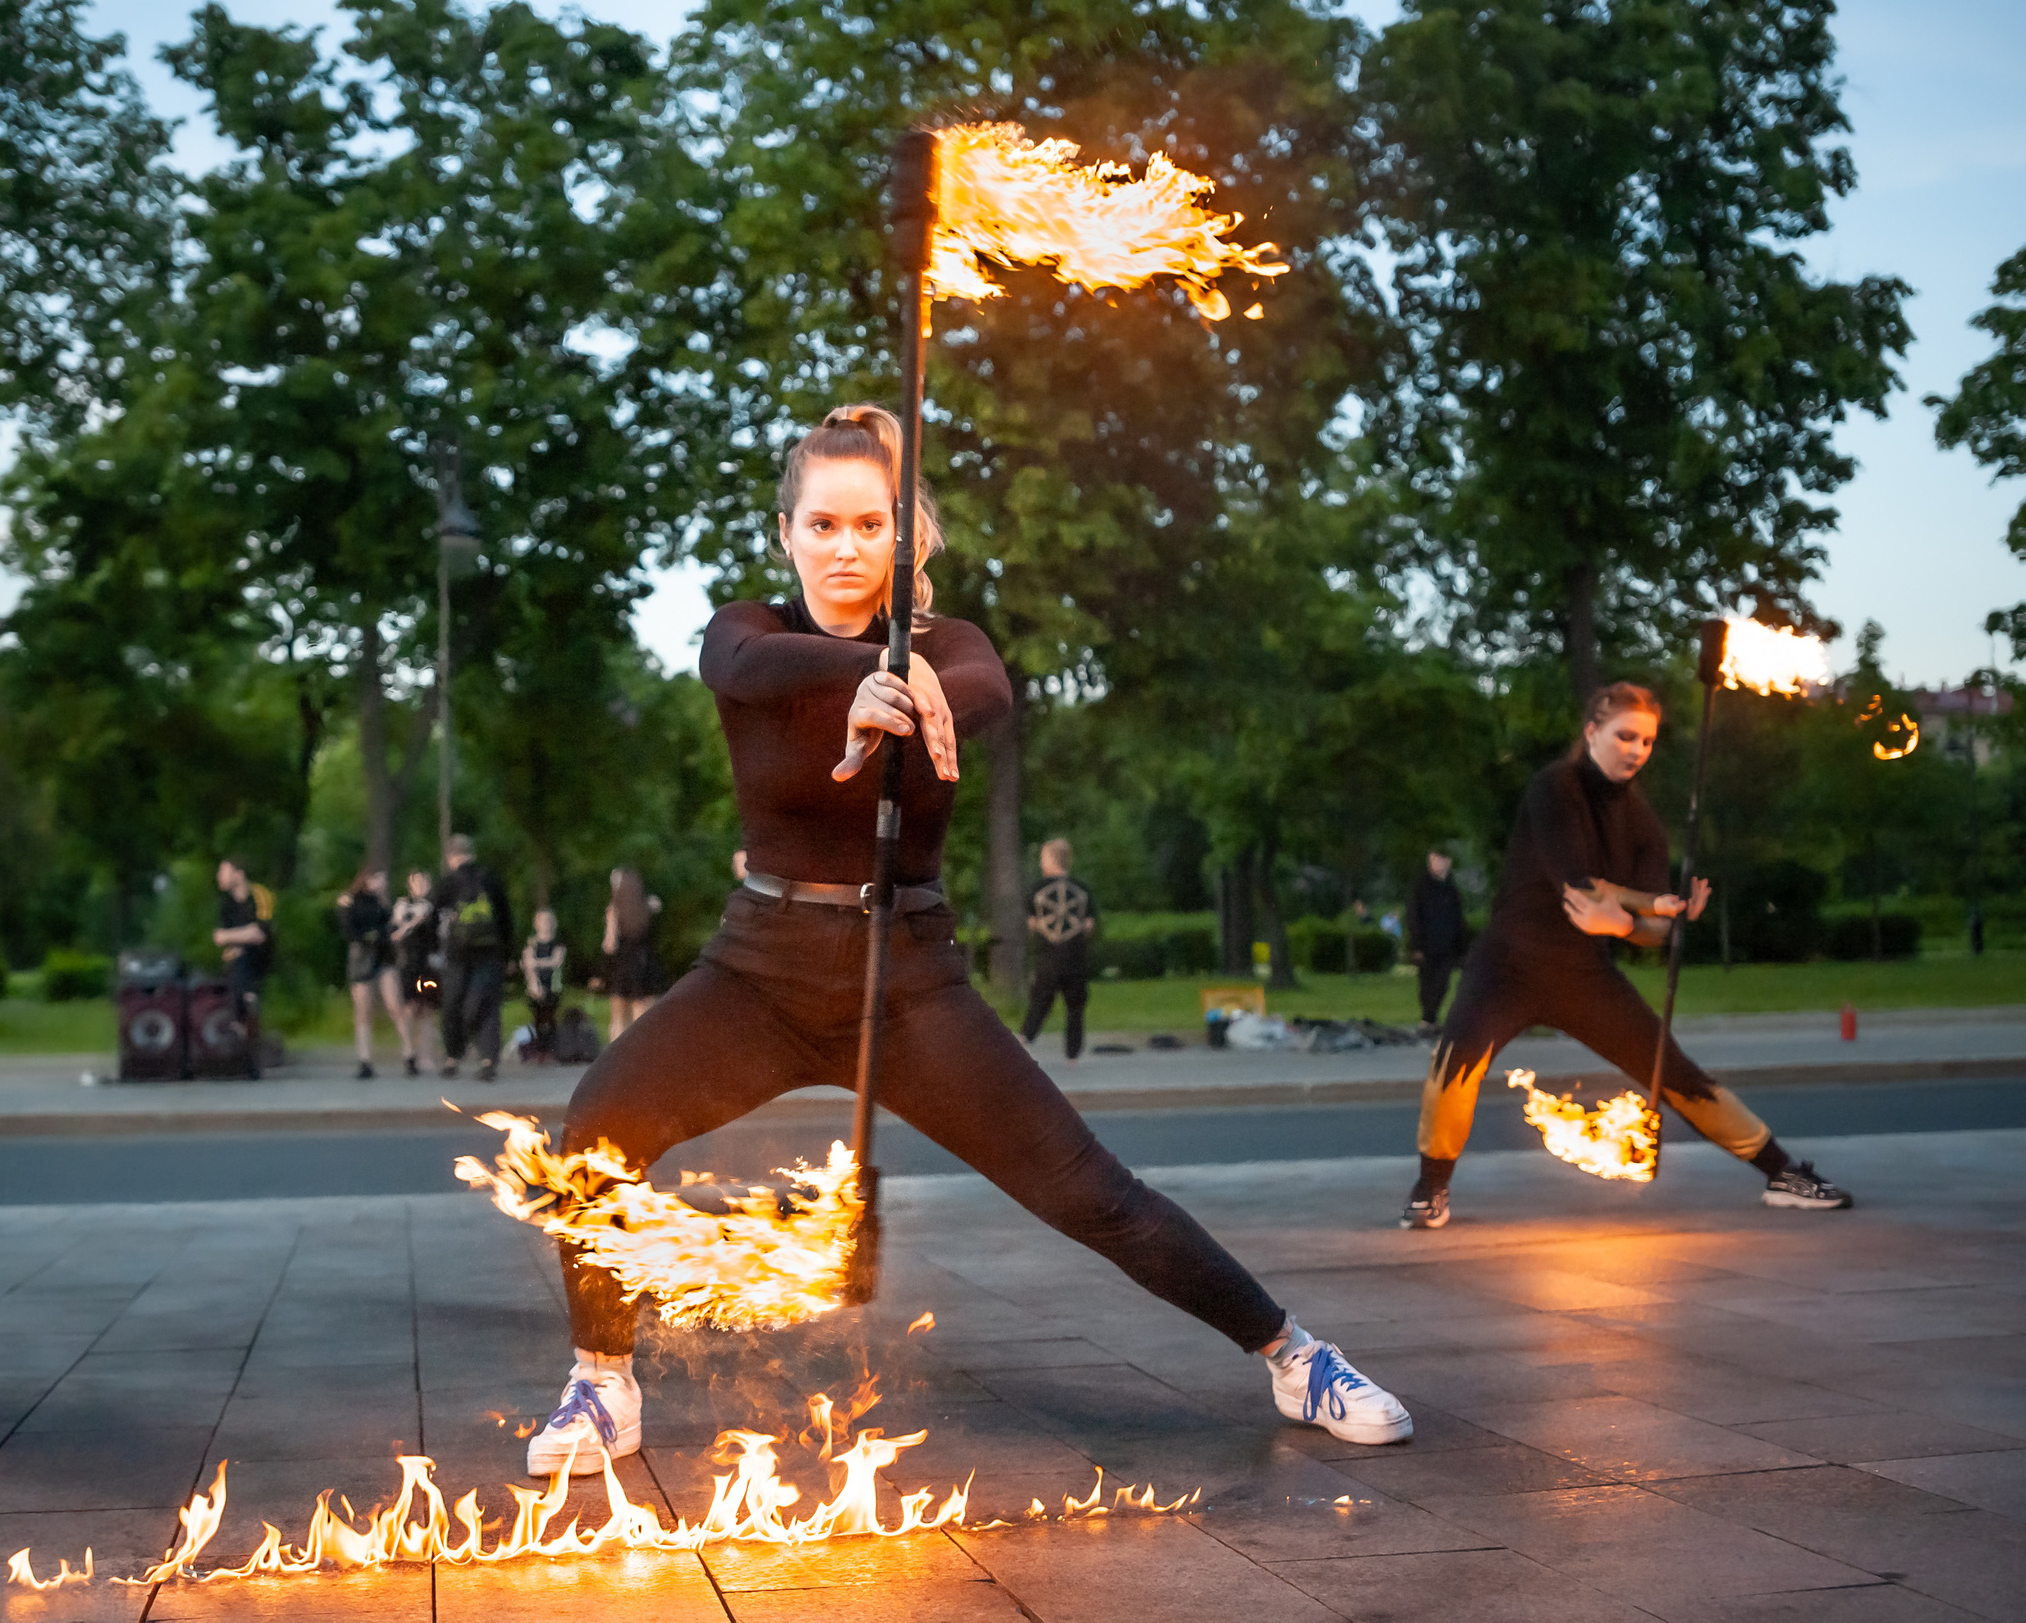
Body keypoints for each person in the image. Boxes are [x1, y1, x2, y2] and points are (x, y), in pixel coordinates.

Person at [523, 403, 1411, 1479]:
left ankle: (1293, 1354)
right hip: (755, 972)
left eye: (870, 526)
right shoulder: (744, 628)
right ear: (785, 533)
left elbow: (990, 691)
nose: (845, 548)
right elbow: (744, 670)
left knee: (1093, 1193)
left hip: (906, 982)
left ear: (907, 538)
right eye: (823, 525)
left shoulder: (950, 649)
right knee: (593, 1131)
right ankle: (603, 1383)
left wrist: (923, 680)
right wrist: (859, 684)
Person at [1402, 683, 1853, 1230]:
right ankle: (1432, 1188)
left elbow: (1655, 936)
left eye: (1647, 740)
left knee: (1678, 1072)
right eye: (1624, 735)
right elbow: (1579, 883)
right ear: (1592, 732)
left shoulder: (1644, 824)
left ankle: (1785, 1174)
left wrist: (1638, 923)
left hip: (1584, 975)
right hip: (1507, 968)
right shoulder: (1554, 788)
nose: (1636, 749)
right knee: (1454, 1068)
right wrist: (1647, 907)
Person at [435, 835, 513, 1082]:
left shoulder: (448, 883)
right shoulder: (490, 879)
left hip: (457, 956)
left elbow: (431, 915)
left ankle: (452, 1057)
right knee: (487, 1005)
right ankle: (488, 1059)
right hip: (490, 954)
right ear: (472, 854)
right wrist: (509, 955)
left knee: (453, 1004)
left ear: (451, 858)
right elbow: (505, 919)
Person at [1019, 838, 1096, 1063]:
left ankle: (1024, 1040)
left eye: (1043, 857)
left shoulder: (1036, 890)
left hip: (1049, 956)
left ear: (1052, 859)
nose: (1041, 862)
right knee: (1075, 1006)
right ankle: (1072, 1055)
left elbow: (1031, 925)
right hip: (1075, 957)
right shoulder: (1082, 890)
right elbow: (1089, 926)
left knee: (1040, 1000)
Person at [336, 868, 393, 1080]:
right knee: (363, 1008)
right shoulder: (352, 901)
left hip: (382, 956)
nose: (382, 883)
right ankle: (364, 1058)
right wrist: (371, 936)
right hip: (362, 956)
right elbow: (350, 929)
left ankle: (408, 1053)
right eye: (378, 879)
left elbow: (388, 925)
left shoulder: (381, 904)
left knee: (393, 1002)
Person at [596, 865, 663, 1041]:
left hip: (623, 962)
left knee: (618, 1018)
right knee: (642, 1015)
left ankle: (615, 1061)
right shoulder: (649, 905)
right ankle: (641, 1058)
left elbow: (609, 945)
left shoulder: (613, 910)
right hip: (644, 961)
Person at [1406, 850, 1469, 1035]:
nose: (1436, 864)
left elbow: (1458, 918)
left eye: (1440, 860)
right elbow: (1413, 916)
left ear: (1447, 862)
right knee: (1427, 983)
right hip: (1426, 945)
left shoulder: (1450, 888)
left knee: (1442, 983)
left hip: (1447, 945)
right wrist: (1416, 945)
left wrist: (1460, 945)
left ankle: (1429, 1018)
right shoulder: (1421, 886)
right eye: (1433, 860)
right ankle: (1428, 1019)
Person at [388, 869, 440, 1076]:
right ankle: (408, 1050)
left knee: (427, 1009)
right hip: (408, 963)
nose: (420, 886)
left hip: (428, 963)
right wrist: (411, 921)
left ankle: (425, 1056)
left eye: (424, 882)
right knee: (408, 1007)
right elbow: (395, 933)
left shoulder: (434, 906)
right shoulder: (403, 906)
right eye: (416, 882)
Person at [211, 859, 274, 1024]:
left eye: (223, 872)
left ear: (239, 874)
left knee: (242, 959)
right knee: (235, 963)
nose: (219, 876)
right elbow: (218, 937)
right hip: (236, 959)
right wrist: (245, 934)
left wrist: (232, 936)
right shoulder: (226, 905)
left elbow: (260, 933)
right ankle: (241, 1017)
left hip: (261, 956)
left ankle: (245, 1019)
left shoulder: (259, 894)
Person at [520, 908, 568, 1062]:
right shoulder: (532, 944)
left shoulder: (557, 943)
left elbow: (557, 961)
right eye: (542, 921)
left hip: (552, 986)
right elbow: (528, 964)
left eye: (549, 921)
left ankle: (551, 1050)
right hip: (536, 986)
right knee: (537, 1019)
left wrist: (537, 963)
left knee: (550, 1018)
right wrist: (534, 984)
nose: (546, 925)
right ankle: (538, 1050)